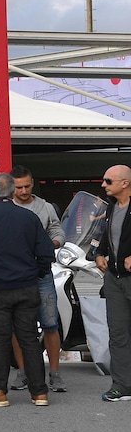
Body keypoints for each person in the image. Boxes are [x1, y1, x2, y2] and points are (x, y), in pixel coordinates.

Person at [0, 172, 54, 407]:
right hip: (26, 285)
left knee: (0, 339)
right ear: (13, 192)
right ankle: (39, 392)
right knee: (30, 339)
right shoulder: (29, 217)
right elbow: (46, 252)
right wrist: (38, 272)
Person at [9, 165, 67, 392]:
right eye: (19, 187)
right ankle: (23, 372)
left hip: (42, 273)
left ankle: (55, 373)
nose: (23, 191)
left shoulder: (45, 207)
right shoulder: (7, 208)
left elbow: (57, 230)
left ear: (33, 183)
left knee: (50, 323)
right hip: (15, 275)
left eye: (27, 186)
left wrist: (52, 244)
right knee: (18, 325)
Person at [96, 164, 131, 402]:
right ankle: (122, 385)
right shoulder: (111, 208)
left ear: (124, 183)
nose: (103, 185)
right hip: (115, 279)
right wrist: (99, 254)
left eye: (108, 181)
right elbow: (106, 239)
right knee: (118, 335)